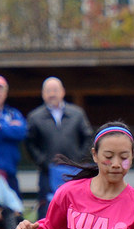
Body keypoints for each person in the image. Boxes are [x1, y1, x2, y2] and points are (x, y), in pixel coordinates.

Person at [26, 77, 94, 219]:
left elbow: (88, 137)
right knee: (47, 209)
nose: (52, 94)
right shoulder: (34, 117)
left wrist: (81, 158)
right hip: (48, 172)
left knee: (80, 208)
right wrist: (43, 162)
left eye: (55, 90)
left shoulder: (77, 113)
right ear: (43, 94)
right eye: (48, 91)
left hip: (76, 170)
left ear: (62, 92)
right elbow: (30, 143)